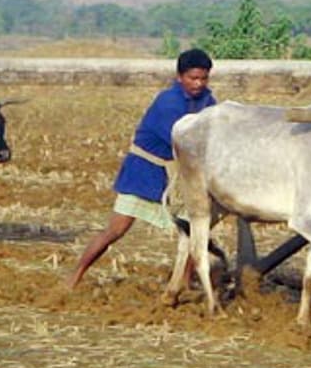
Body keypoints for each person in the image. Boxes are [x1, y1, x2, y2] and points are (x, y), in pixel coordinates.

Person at [67, 48, 215, 288]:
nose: (198, 84)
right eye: (193, 78)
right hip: (146, 172)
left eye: (203, 78)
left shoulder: (208, 100)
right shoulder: (168, 102)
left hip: (179, 175)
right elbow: (183, 142)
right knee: (116, 229)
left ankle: (184, 282)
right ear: (180, 77)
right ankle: (75, 275)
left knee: (192, 232)